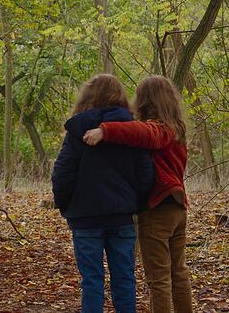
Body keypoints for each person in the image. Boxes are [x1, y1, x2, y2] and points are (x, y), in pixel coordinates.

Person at [83, 75, 193, 312]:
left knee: (159, 279)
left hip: (159, 209)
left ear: (144, 100)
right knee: (178, 274)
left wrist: (105, 130)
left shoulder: (160, 129)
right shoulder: (177, 128)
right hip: (177, 208)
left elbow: (145, 133)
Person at [52, 74, 155, 313]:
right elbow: (145, 173)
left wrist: (66, 205)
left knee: (91, 282)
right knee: (124, 280)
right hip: (121, 217)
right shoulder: (131, 130)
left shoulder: (77, 131)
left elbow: (63, 173)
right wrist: (135, 203)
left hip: (85, 218)